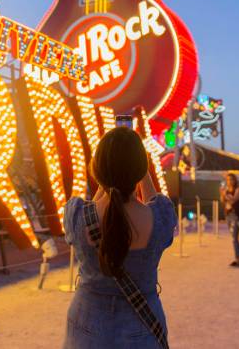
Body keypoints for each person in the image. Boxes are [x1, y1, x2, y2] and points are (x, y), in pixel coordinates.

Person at [62, 126, 177, 349]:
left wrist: (108, 179)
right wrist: (142, 171)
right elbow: (159, 206)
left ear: (97, 170)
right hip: (141, 325)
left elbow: (96, 206)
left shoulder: (77, 214)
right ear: (141, 168)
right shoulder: (158, 217)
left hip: (86, 323)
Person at [220, 173, 239, 267]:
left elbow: (233, 200)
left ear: (235, 180)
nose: (229, 181)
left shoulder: (238, 190)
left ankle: (238, 259)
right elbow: (223, 201)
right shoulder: (225, 190)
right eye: (227, 179)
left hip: (236, 215)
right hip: (228, 215)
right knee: (234, 238)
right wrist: (222, 194)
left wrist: (225, 195)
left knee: (234, 238)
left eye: (231, 179)